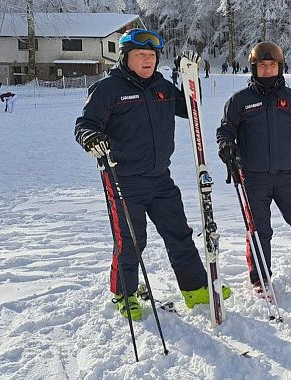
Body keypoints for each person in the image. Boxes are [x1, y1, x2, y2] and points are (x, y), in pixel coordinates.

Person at [74, 29, 231, 321]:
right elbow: (85, 123)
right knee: (131, 241)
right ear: (126, 57)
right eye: (140, 55)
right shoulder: (108, 88)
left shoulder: (162, 86)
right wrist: (91, 138)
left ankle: (196, 288)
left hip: (160, 178)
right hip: (123, 178)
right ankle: (125, 294)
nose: (147, 60)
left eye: (151, 56)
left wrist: (190, 78)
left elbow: (189, 109)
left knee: (179, 234)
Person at [216, 42, 291, 291]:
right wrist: (226, 147)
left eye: (272, 65)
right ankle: (260, 279)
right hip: (252, 177)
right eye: (262, 65)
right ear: (254, 68)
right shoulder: (239, 101)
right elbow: (225, 131)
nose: (268, 69)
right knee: (259, 231)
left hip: (285, 176)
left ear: (280, 67)